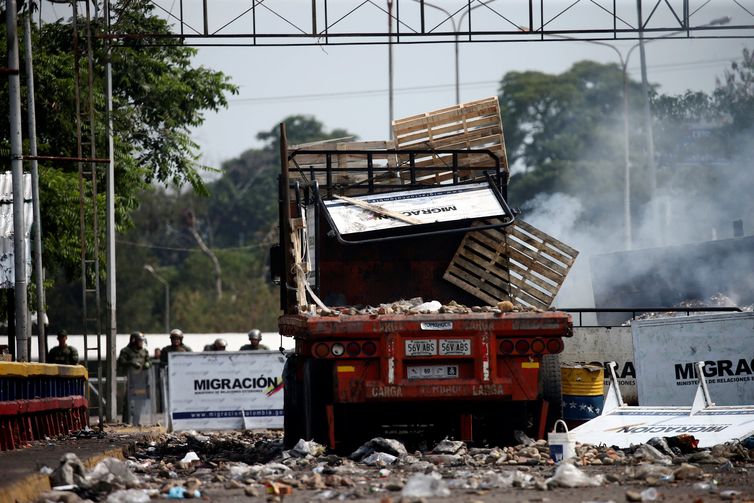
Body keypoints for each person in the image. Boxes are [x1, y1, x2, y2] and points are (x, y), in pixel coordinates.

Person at [117, 332, 152, 426]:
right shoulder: (126, 351)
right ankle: (126, 422)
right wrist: (131, 363)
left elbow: (149, 361)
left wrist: (147, 364)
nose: (141, 343)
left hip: (141, 379)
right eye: (140, 341)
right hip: (129, 379)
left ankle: (136, 422)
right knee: (128, 401)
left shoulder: (144, 351)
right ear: (134, 341)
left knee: (139, 402)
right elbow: (120, 362)